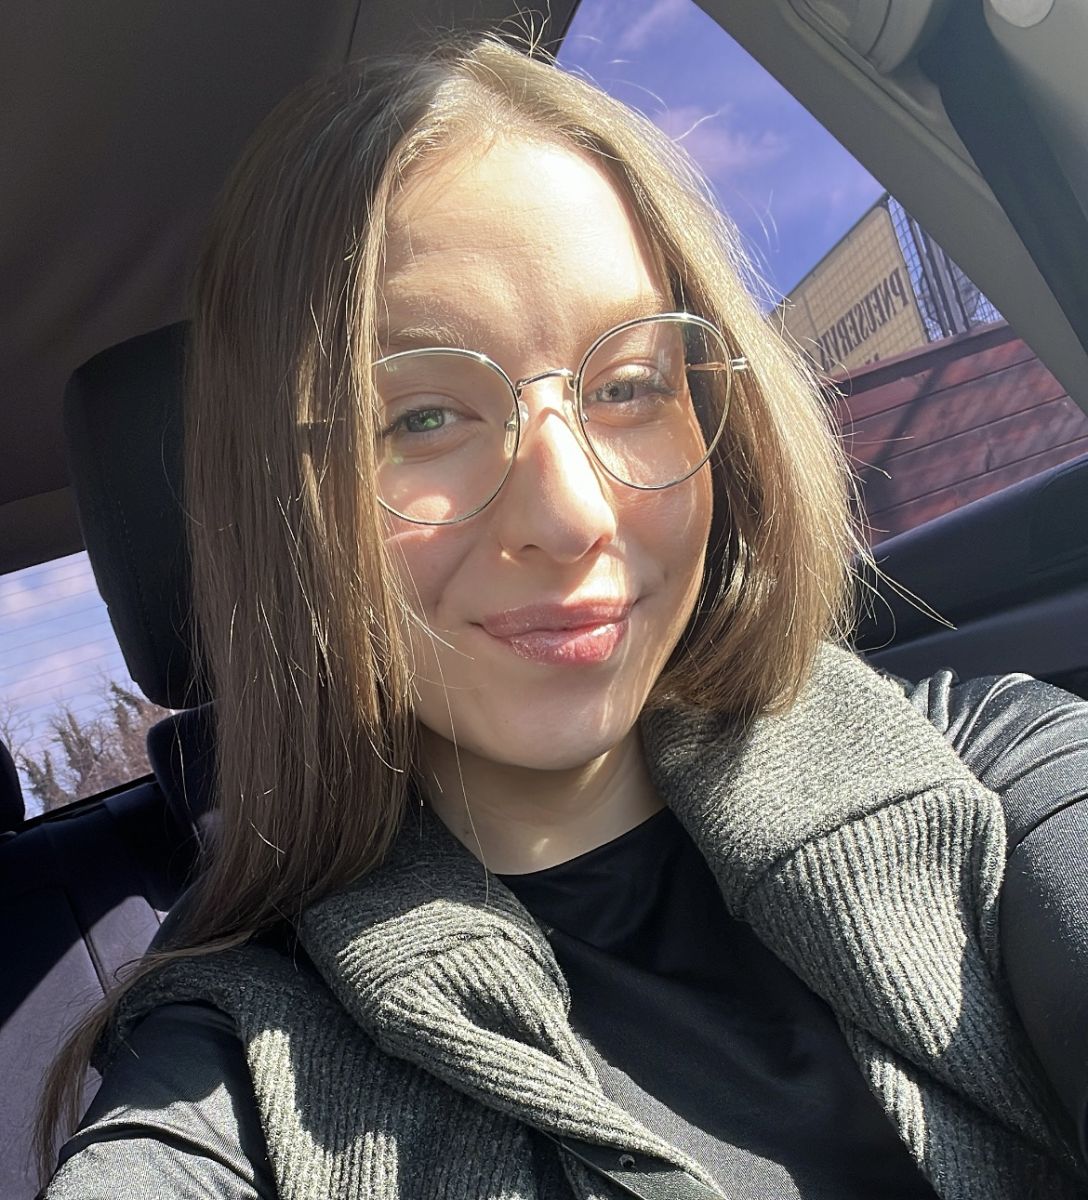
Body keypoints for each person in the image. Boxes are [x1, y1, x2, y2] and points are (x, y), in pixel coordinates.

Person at [39, 35, 1088, 1200]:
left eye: (629, 385)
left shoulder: (987, 763)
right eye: (421, 417)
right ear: (284, 508)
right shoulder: (232, 1071)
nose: (573, 513)